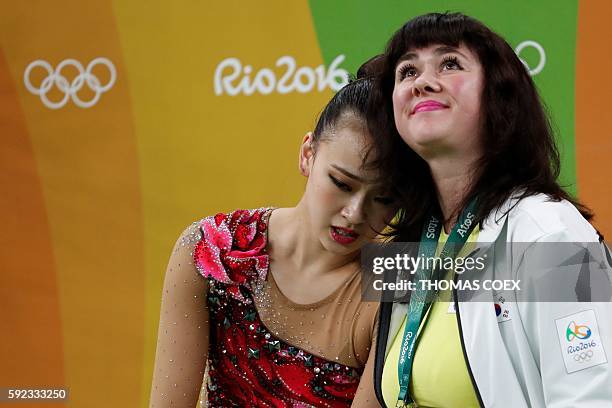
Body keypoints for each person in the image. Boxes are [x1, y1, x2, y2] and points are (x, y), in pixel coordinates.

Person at [366, 12, 612, 407]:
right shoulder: (406, 245)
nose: (422, 82)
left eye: (450, 64)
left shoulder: (550, 231)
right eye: (407, 71)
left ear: (498, 94)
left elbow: (592, 397)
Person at [149, 77, 397, 407]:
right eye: (341, 183)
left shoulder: (396, 283)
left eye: (383, 198)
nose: (354, 213)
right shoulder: (213, 250)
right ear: (308, 154)